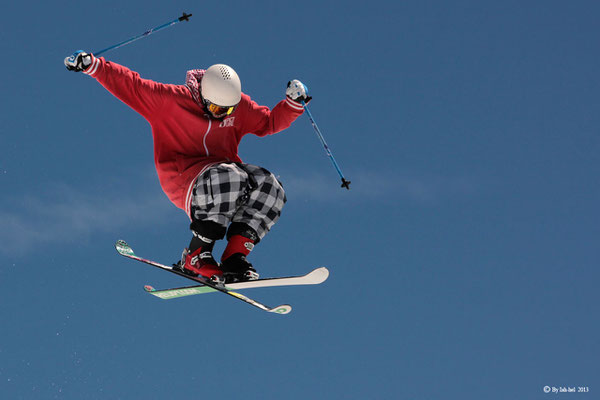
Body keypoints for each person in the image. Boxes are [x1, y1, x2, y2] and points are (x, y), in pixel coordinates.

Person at [65, 51, 311, 283]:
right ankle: (196, 254)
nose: (220, 115)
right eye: (215, 109)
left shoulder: (238, 106)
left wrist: (291, 105)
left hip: (223, 177)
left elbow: (267, 123)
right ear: (202, 96)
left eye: (227, 111)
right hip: (183, 179)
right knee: (231, 176)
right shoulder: (170, 101)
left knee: (269, 186)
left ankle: (235, 256)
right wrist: (93, 65)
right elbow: (131, 85)